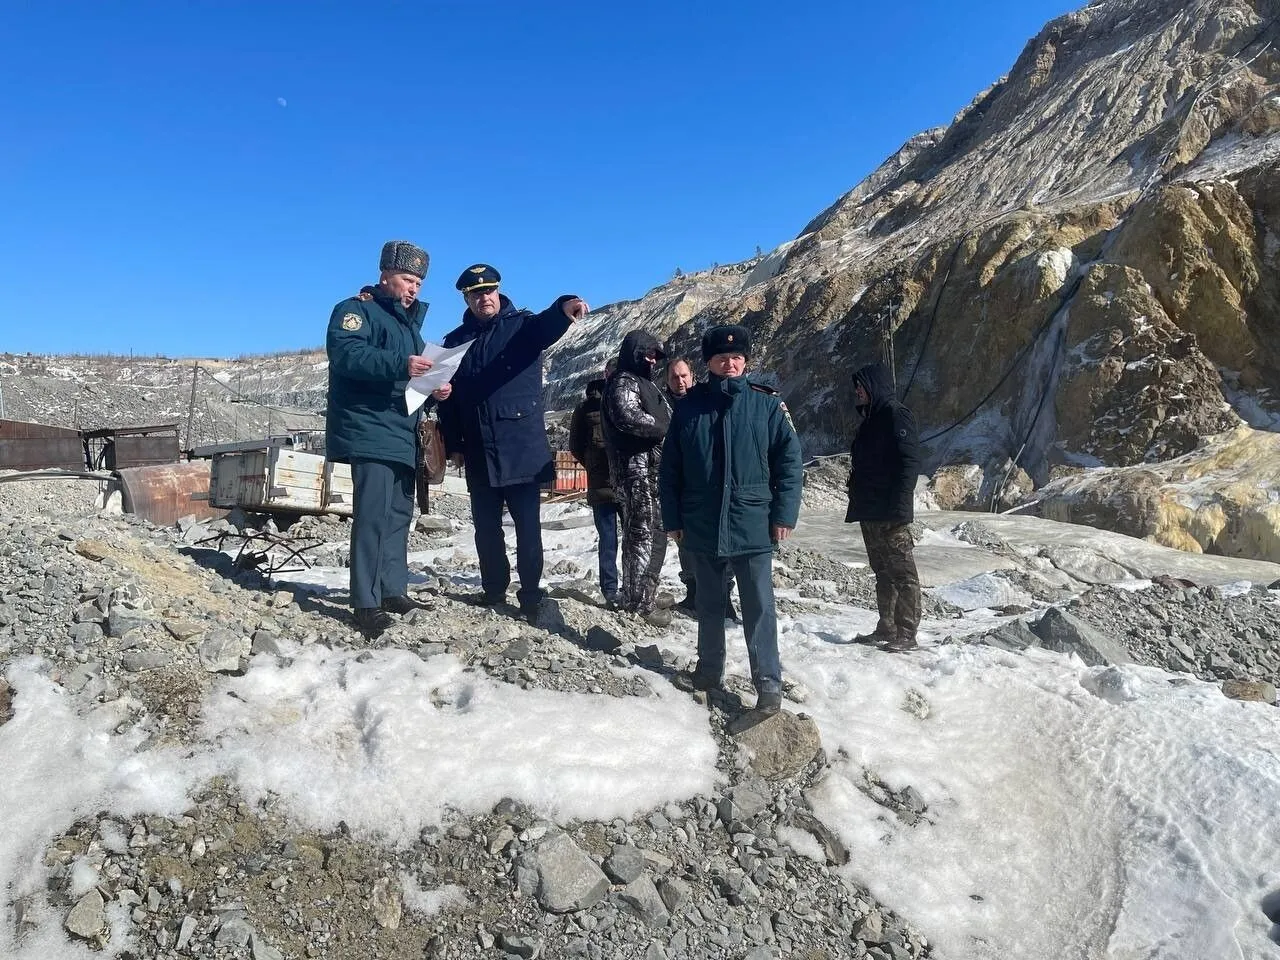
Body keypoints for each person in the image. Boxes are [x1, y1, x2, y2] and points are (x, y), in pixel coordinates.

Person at [660, 325, 803, 716]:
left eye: (737, 357)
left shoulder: (767, 406)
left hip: (752, 522)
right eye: (722, 358)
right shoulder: (688, 409)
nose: (730, 363)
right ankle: (708, 672)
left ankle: (769, 685)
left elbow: (790, 464)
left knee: (759, 608)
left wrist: (784, 513)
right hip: (701, 524)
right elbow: (670, 470)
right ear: (708, 362)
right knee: (708, 605)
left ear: (746, 361)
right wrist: (672, 517)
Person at [436, 264, 589, 620]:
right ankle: (493, 589)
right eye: (475, 293)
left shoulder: (523, 326)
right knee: (486, 529)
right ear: (466, 297)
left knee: (527, 528)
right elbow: (450, 400)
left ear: (498, 291)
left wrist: (566, 306)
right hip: (478, 449)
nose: (483, 298)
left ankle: (532, 594)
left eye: (488, 291)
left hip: (521, 448)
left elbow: (548, 325)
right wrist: (455, 442)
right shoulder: (455, 341)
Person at [325, 240, 451, 637]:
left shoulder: (409, 327)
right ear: (386, 276)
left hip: (402, 431)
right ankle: (364, 600)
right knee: (373, 516)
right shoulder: (356, 310)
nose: (413, 288)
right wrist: (403, 364)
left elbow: (410, 377)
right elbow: (346, 354)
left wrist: (435, 387)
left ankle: (393, 589)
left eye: (418, 282)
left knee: (398, 515)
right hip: (369, 429)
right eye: (407, 279)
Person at [845, 362, 922, 652]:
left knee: (903, 573)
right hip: (871, 510)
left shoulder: (895, 415)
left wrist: (901, 506)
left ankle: (907, 633)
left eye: (861, 386)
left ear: (873, 386)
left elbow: (909, 462)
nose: (857, 391)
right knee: (882, 571)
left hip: (889, 511)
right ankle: (887, 626)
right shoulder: (871, 418)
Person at [602, 330, 671, 623]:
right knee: (642, 535)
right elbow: (627, 416)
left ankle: (645, 593)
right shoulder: (625, 381)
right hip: (636, 471)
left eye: (656, 355)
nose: (653, 359)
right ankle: (638, 602)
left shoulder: (645, 383)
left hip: (651, 472)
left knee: (653, 533)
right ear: (635, 351)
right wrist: (665, 428)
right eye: (649, 353)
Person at [664, 357, 736, 622]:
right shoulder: (663, 405)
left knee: (719, 544)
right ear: (667, 381)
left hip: (708, 487)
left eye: (684, 376)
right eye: (674, 377)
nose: (680, 381)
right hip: (680, 488)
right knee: (685, 545)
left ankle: (725, 598)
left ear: (692, 376)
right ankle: (693, 593)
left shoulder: (706, 401)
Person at [569, 359, 619, 607]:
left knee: (636, 540)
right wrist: (592, 464)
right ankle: (610, 589)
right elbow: (575, 445)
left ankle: (634, 588)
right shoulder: (586, 408)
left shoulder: (634, 399)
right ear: (605, 374)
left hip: (629, 483)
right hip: (601, 484)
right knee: (608, 539)